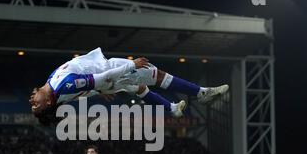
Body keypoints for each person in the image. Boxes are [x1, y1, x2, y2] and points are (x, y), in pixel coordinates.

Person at [29, 47, 229, 125]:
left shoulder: (51, 84)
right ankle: (201, 93)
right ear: (47, 102)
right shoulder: (65, 85)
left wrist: (99, 91)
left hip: (104, 80)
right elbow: (103, 76)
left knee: (139, 88)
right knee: (156, 75)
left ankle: (172, 108)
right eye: (36, 105)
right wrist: (130, 65)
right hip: (110, 70)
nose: (32, 101)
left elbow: (80, 91)